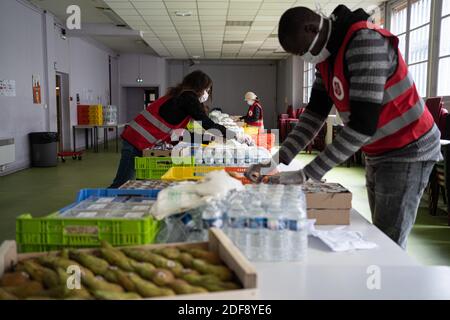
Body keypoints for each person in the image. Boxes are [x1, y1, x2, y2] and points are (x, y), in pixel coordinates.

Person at [245, 5, 442, 249]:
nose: (306, 57)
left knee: (388, 240)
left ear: (312, 27)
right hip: (378, 150)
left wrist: (307, 174)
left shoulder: (365, 43)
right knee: (380, 231)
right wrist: (274, 161)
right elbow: (314, 115)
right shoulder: (326, 57)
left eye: (304, 50)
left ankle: (386, 282)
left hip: (408, 147)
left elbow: (362, 125)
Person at [110, 70, 251, 188]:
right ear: (199, 87)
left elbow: (178, 134)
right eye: (207, 89)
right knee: (121, 184)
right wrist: (235, 136)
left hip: (141, 142)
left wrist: (210, 139)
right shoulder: (188, 98)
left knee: (134, 182)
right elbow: (207, 124)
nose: (207, 93)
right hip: (136, 141)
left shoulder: (178, 98)